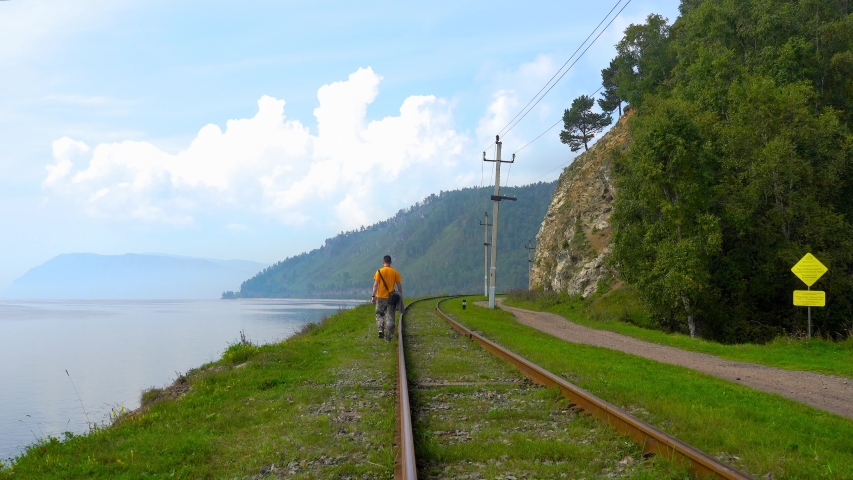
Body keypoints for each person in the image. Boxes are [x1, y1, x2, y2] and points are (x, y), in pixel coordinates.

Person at [371, 255, 402, 342]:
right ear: (390, 262)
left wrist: (373, 296)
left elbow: (376, 285)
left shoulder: (379, 272)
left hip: (380, 298)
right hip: (391, 298)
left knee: (379, 314)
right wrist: (400, 295)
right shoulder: (394, 272)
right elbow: (399, 285)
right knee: (390, 316)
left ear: (383, 262)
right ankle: (389, 337)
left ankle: (381, 329)